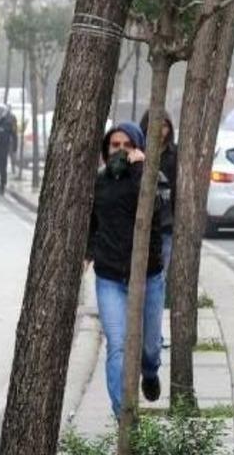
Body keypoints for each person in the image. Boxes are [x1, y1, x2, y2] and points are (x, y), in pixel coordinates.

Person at [86, 122, 165, 417]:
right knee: (117, 346)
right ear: (106, 149)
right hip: (110, 278)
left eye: (126, 145)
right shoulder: (99, 182)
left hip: (148, 276)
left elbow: (156, 212)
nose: (120, 151)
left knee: (150, 348)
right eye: (114, 145)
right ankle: (124, 415)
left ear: (138, 148)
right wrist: (88, 252)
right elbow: (92, 223)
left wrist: (140, 170)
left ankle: (150, 371)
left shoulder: (149, 178)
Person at [140, 110, 177, 272]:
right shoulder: (138, 151)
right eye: (155, 126)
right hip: (141, 222)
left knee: (161, 272)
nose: (160, 131)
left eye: (164, 126)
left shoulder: (175, 154)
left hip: (165, 224)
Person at [0, 103, 17, 196]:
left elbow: (14, 135)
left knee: (2, 169)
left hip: (3, 148)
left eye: (0, 111)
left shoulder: (8, 122)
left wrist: (14, 147)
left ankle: (2, 186)